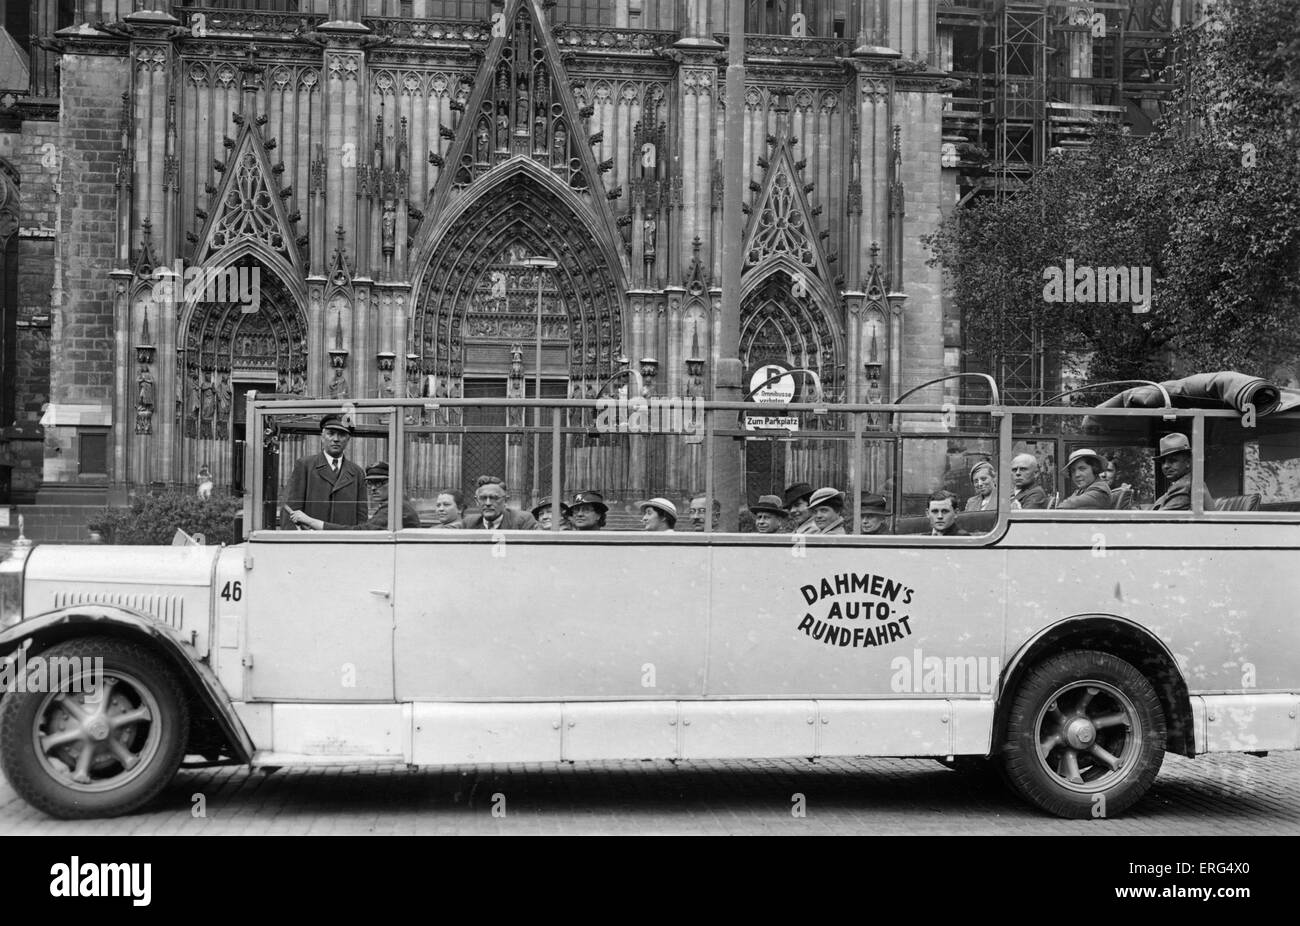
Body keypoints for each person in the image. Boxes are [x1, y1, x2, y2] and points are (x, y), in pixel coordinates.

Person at [282, 414, 368, 530]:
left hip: (344, 542)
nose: (336, 439)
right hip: (312, 542)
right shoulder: (305, 466)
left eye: (342, 435)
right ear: (322, 437)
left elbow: (362, 517)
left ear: (348, 439)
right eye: (331, 434)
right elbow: (291, 510)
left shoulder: (357, 473)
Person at [289, 461, 421, 531]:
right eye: (370, 483)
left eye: (379, 483)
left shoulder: (396, 508)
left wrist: (311, 521)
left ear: (394, 483)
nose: (373, 488)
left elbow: (361, 532)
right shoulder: (395, 505)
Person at [1152, 433, 1214, 511]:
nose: (1165, 466)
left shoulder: (1183, 486)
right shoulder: (1190, 482)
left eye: (1172, 460)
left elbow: (1160, 520)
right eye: (1163, 462)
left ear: (1188, 462)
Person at [462, 475, 537, 530]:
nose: (488, 503)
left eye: (494, 498)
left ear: (505, 501)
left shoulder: (523, 521)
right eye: (483, 498)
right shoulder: (468, 523)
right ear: (476, 501)